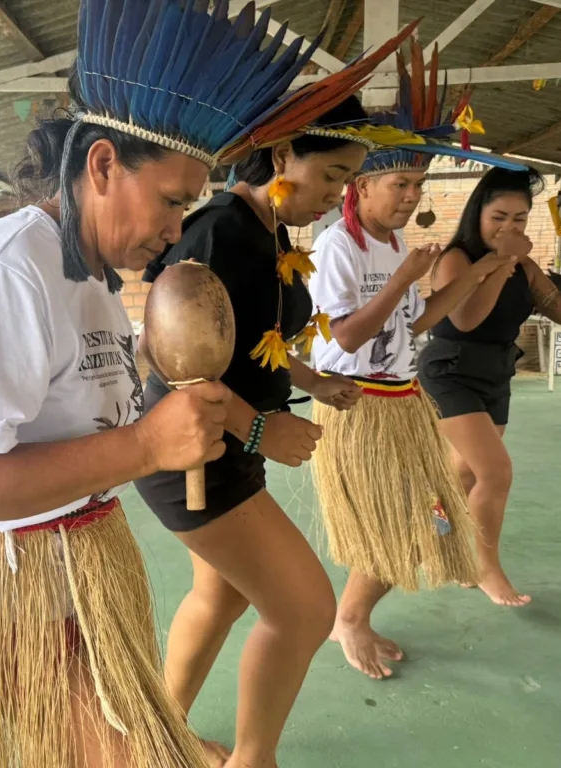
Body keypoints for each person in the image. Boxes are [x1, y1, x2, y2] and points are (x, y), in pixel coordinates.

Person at [0, 2, 383, 765]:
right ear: (103, 165)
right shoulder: (11, 270)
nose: (180, 226)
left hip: (66, 565)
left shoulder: (95, 276)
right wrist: (146, 444)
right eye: (174, 200)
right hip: (5, 583)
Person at [135, 96, 373, 768]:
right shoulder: (218, 228)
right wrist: (261, 426)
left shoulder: (269, 231)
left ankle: (156, 739)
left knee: (219, 596)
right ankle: (253, 760)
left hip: (226, 446)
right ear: (279, 159)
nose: (335, 195)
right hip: (195, 451)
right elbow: (168, 352)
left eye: (346, 182)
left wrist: (314, 379)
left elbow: (248, 342)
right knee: (304, 611)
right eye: (330, 175)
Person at [306, 40, 531, 680]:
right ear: (363, 185)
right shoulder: (337, 248)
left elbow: (422, 320)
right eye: (400, 184)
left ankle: (352, 616)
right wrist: (406, 276)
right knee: (403, 523)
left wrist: (486, 265)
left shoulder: (394, 240)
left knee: (427, 517)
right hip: (356, 402)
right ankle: (347, 621)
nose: (411, 195)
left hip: (402, 399)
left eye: (418, 184)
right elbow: (345, 340)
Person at [418, 167, 561, 607]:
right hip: (450, 372)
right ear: (477, 213)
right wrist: (500, 261)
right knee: (495, 473)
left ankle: (435, 542)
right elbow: (465, 318)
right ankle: (484, 566)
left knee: (461, 473)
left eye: (519, 219)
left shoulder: (526, 266)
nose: (508, 228)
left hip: (496, 374)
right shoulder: (456, 259)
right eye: (499, 217)